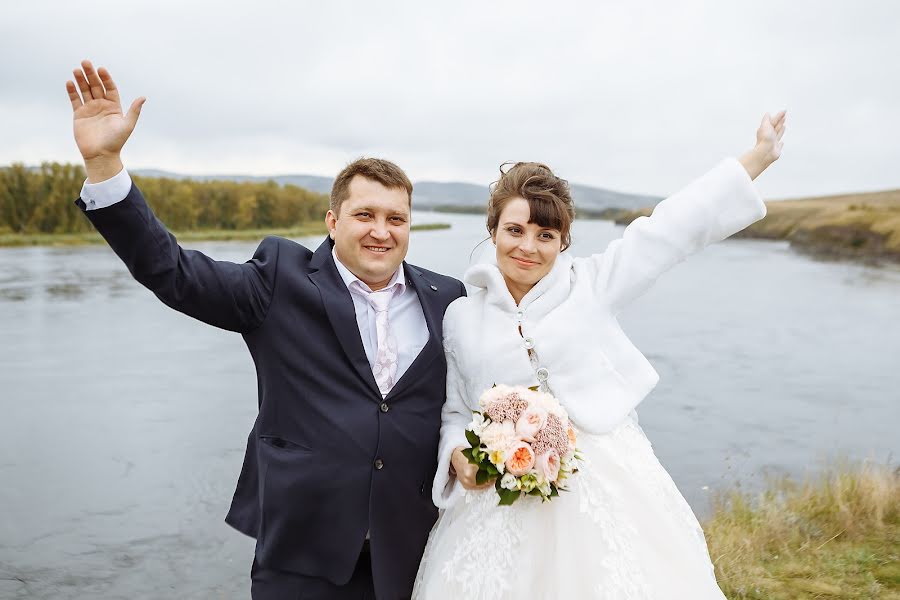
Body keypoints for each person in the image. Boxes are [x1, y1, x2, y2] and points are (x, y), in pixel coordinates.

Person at [65, 59, 466, 600]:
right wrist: (106, 164)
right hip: (300, 556)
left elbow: (478, 394)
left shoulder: (448, 299)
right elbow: (173, 272)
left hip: (412, 557)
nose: (381, 231)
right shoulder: (280, 281)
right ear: (333, 221)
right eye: (365, 215)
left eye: (396, 219)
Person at [413, 112, 786, 598]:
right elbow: (457, 410)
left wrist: (757, 157)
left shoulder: (590, 285)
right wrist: (458, 454)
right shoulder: (460, 317)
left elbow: (670, 230)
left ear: (563, 241)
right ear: (493, 230)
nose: (529, 247)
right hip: (499, 498)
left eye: (546, 236)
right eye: (516, 230)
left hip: (606, 485)